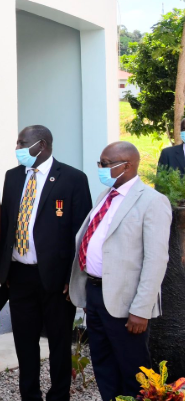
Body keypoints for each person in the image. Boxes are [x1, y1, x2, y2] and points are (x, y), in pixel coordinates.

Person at [0, 125, 92, 401]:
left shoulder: (73, 178)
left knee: (59, 342)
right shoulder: (13, 176)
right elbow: (6, 223)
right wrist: (4, 271)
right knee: (24, 341)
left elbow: (81, 232)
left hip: (56, 278)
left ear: (42, 145)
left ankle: (59, 395)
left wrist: (73, 277)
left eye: (21, 143)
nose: (17, 148)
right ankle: (30, 395)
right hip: (19, 276)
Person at [69, 141, 172, 401]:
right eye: (100, 162)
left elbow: (156, 260)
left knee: (134, 372)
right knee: (104, 366)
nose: (100, 168)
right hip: (95, 293)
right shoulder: (106, 195)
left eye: (105, 164)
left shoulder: (152, 201)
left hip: (127, 304)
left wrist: (141, 309)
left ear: (126, 166)